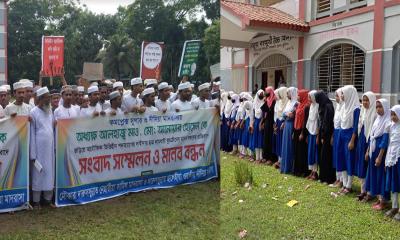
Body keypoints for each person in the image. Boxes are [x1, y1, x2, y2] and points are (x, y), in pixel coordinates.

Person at [29, 87, 55, 209]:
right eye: (46, 97)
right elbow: (32, 134)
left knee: (49, 173)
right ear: (40, 99)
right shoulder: (33, 112)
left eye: (49, 97)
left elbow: (51, 129)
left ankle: (48, 200)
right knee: (38, 174)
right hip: (38, 150)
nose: (49, 99)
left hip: (49, 150)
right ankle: (36, 202)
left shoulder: (50, 111)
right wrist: (33, 155)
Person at [365, 99, 390, 210]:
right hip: (373, 151)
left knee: (381, 176)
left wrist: (380, 156)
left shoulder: (387, 121)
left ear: (385, 107)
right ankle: (379, 198)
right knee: (375, 174)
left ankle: (384, 201)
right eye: (377, 107)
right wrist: (368, 151)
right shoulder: (377, 120)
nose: (378, 109)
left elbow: (384, 141)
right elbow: (372, 136)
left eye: (380, 107)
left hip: (381, 153)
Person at [337, 85, 360, 194]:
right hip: (342, 133)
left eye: (343, 93)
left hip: (350, 136)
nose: (341, 96)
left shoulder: (356, 108)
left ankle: (349, 185)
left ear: (349, 94)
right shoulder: (344, 106)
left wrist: (352, 140)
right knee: (341, 158)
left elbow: (356, 126)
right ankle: (345, 183)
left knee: (349, 159)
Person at [355, 92, 376, 201]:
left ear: (372, 101)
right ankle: (363, 190)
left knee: (369, 167)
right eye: (363, 100)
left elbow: (373, 131)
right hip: (362, 140)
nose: (365, 102)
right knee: (362, 164)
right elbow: (360, 125)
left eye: (367, 100)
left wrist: (368, 148)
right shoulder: (363, 111)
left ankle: (370, 192)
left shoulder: (375, 113)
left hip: (370, 142)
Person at [315, 91, 336, 184]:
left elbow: (327, 123)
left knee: (326, 156)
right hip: (322, 133)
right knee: (322, 156)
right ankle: (322, 176)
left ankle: (328, 178)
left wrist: (323, 135)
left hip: (327, 134)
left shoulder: (328, 106)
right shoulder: (322, 105)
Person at [384, 105, 400, 219]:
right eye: (392, 114)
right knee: (393, 182)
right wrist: (387, 159)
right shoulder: (391, 126)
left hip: (399, 157)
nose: (393, 117)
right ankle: (394, 206)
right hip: (392, 157)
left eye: (395, 114)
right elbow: (390, 143)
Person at [293, 89, 310, 177]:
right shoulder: (299, 105)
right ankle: (297, 170)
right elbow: (296, 118)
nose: (298, 97)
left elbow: (305, 121)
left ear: (303, 96)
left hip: (302, 131)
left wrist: (302, 133)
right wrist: (294, 131)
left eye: (299, 95)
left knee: (302, 151)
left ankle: (303, 171)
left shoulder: (306, 106)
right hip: (296, 130)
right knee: (297, 151)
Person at [280, 87, 298, 174]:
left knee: (290, 146)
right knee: (285, 145)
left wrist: (286, 114)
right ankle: (284, 167)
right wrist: (286, 115)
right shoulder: (288, 103)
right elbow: (284, 114)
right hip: (286, 125)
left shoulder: (296, 104)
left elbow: (292, 115)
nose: (287, 95)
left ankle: (290, 167)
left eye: (288, 93)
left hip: (291, 126)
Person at [330, 88, 344, 188]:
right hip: (336, 132)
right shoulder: (338, 106)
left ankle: (342, 180)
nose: (336, 98)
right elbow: (335, 122)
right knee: (336, 156)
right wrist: (333, 135)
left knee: (340, 156)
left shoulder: (344, 107)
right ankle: (337, 178)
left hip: (341, 132)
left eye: (337, 95)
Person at [272, 87, 288, 169]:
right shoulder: (280, 102)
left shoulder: (288, 102)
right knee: (278, 141)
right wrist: (275, 124)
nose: (278, 96)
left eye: (279, 94)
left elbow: (286, 114)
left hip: (284, 123)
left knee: (283, 142)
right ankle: (279, 160)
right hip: (278, 122)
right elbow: (277, 114)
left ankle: (282, 161)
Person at [260, 87, 277, 165]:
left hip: (272, 122)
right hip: (267, 122)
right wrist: (262, 122)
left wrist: (266, 106)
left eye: (267, 92)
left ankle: (271, 158)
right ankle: (265, 157)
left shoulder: (274, 101)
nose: (266, 93)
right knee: (265, 139)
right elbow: (265, 113)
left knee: (270, 140)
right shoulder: (267, 100)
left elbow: (271, 112)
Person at [306, 90, 319, 180]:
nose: (309, 99)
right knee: (310, 152)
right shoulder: (311, 106)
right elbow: (309, 121)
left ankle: (315, 172)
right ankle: (311, 171)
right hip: (310, 132)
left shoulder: (318, 106)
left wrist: (318, 135)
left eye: (310, 97)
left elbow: (318, 122)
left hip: (316, 133)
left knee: (315, 153)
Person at [252, 89, 264, 163]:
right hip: (256, 121)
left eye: (262, 94)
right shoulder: (255, 103)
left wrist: (261, 123)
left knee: (261, 139)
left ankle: (261, 157)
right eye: (260, 94)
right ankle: (257, 157)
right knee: (256, 139)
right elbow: (253, 114)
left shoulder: (264, 102)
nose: (261, 96)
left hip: (261, 122)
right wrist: (252, 123)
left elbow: (264, 114)